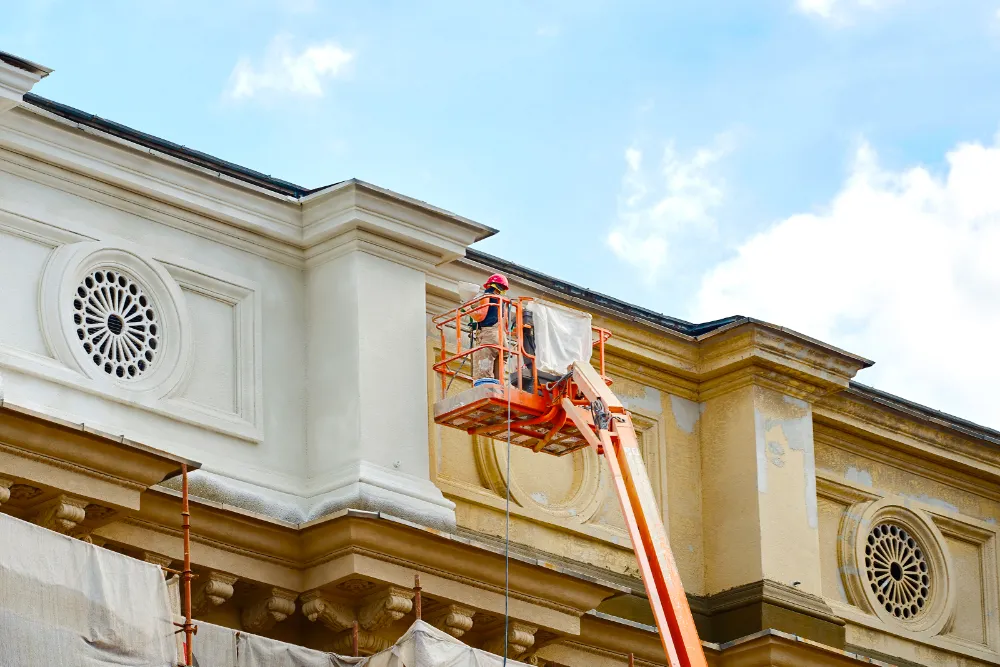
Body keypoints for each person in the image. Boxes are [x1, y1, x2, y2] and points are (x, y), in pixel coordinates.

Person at [469, 273, 509, 386]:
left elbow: (480, 316)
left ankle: (485, 390)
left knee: (484, 372)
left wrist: (468, 309)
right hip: (502, 339)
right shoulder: (503, 302)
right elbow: (505, 325)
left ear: (490, 285)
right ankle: (500, 391)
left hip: (489, 336)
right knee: (499, 375)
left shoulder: (487, 296)